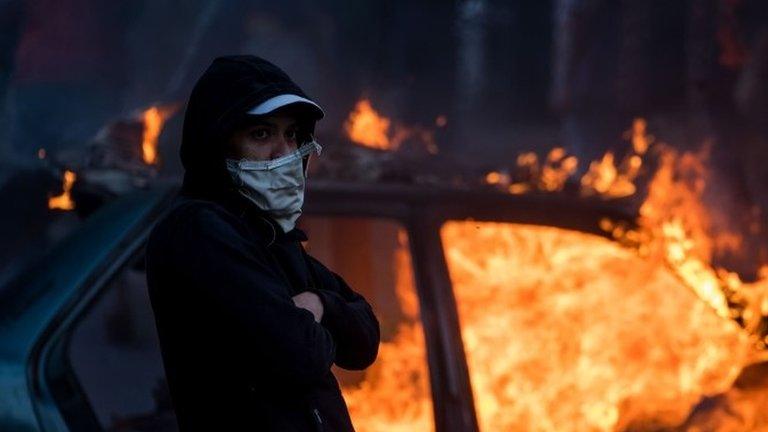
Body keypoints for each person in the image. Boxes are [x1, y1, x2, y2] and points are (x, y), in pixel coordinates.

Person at [145, 55, 380, 431]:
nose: (284, 154)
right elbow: (301, 353)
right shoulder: (198, 232)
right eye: (261, 134)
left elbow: (365, 340)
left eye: (291, 135)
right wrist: (319, 324)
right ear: (218, 143)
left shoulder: (271, 238)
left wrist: (320, 303)